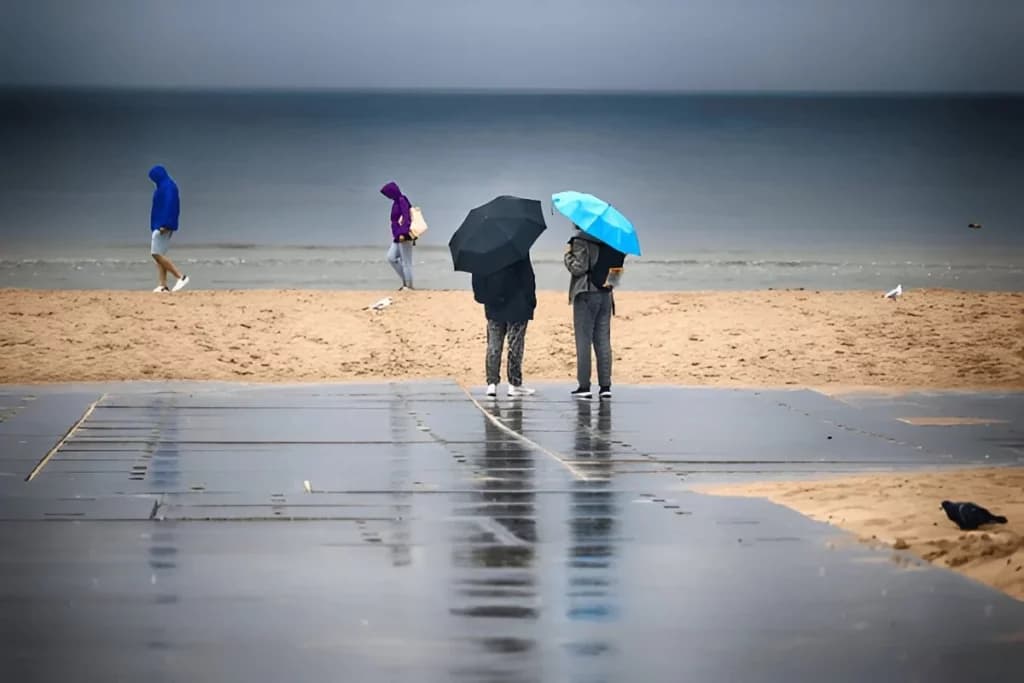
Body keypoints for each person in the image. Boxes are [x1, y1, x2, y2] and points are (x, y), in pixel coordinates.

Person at [564, 226, 622, 399]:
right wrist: (608, 286)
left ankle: (584, 386)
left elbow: (579, 268)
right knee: (603, 340)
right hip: (606, 294)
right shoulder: (612, 239)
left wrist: (567, 256)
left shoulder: (581, 239)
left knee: (583, 340)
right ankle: (605, 386)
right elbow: (616, 272)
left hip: (586, 293)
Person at [472, 257, 537, 397]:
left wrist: (484, 297)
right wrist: (531, 302)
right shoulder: (518, 250)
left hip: (494, 304)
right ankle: (514, 383)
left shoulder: (484, 252)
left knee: (494, 344)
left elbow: (477, 280)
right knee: (515, 344)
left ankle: (491, 383)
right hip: (517, 304)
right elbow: (528, 277)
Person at [148, 165, 189, 293]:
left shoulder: (168, 187)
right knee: (160, 254)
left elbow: (170, 206)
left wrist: (166, 224)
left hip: (163, 225)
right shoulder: (164, 186)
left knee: (156, 254)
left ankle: (180, 277)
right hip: (159, 224)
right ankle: (163, 285)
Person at [380, 181, 415, 290]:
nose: (387, 196)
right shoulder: (396, 201)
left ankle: (408, 285)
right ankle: (406, 282)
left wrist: (402, 233)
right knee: (391, 257)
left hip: (404, 236)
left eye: (388, 194)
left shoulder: (402, 200)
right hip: (397, 236)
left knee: (406, 262)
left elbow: (406, 218)